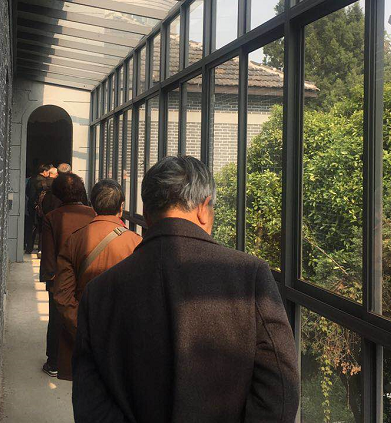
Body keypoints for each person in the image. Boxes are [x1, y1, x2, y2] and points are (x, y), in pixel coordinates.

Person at [72, 156, 299, 422]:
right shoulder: (250, 275)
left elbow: (90, 402)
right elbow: (280, 389)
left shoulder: (99, 292)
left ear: (146, 213)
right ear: (203, 208)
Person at [53, 179, 141, 380]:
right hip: (121, 342)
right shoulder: (136, 243)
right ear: (121, 207)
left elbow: (63, 296)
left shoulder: (74, 240)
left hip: (83, 339)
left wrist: (84, 330)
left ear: (92, 205)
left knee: (86, 391)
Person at [40, 172, 95, 377]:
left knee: (57, 318)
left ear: (57, 193)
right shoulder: (93, 214)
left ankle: (54, 362)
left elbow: (48, 253)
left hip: (60, 277)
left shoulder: (52, 217)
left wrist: (49, 279)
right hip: (88, 273)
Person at [24, 164, 52, 254]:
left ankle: (29, 248)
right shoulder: (45, 182)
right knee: (41, 229)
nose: (49, 174)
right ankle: (40, 249)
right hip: (41, 208)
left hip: (31, 207)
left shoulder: (31, 179)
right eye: (48, 172)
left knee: (31, 228)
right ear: (44, 172)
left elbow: (28, 192)